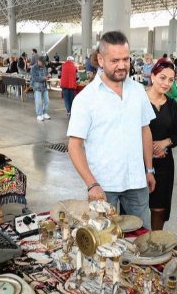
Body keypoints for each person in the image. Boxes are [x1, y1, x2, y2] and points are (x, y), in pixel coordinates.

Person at [67, 31, 156, 229]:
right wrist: (91, 184)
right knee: (103, 242)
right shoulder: (86, 99)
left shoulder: (137, 91)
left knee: (142, 239)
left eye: (126, 59)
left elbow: (145, 130)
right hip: (103, 186)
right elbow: (74, 146)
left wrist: (149, 169)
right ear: (100, 59)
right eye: (115, 60)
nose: (122, 65)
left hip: (136, 181)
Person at [146, 59, 177, 230]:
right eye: (162, 78)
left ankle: (155, 244)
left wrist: (164, 143)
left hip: (164, 164)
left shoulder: (171, 105)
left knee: (159, 208)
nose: (166, 83)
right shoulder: (139, 100)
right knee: (135, 209)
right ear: (152, 76)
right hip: (139, 163)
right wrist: (149, 151)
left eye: (170, 80)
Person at [31, 56, 50, 121]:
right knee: (38, 102)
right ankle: (39, 114)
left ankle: (44, 113)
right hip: (37, 87)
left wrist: (48, 75)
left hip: (44, 87)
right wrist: (43, 78)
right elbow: (34, 78)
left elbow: (46, 73)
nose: (43, 64)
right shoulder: (33, 68)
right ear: (39, 61)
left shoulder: (44, 67)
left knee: (46, 101)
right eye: (42, 63)